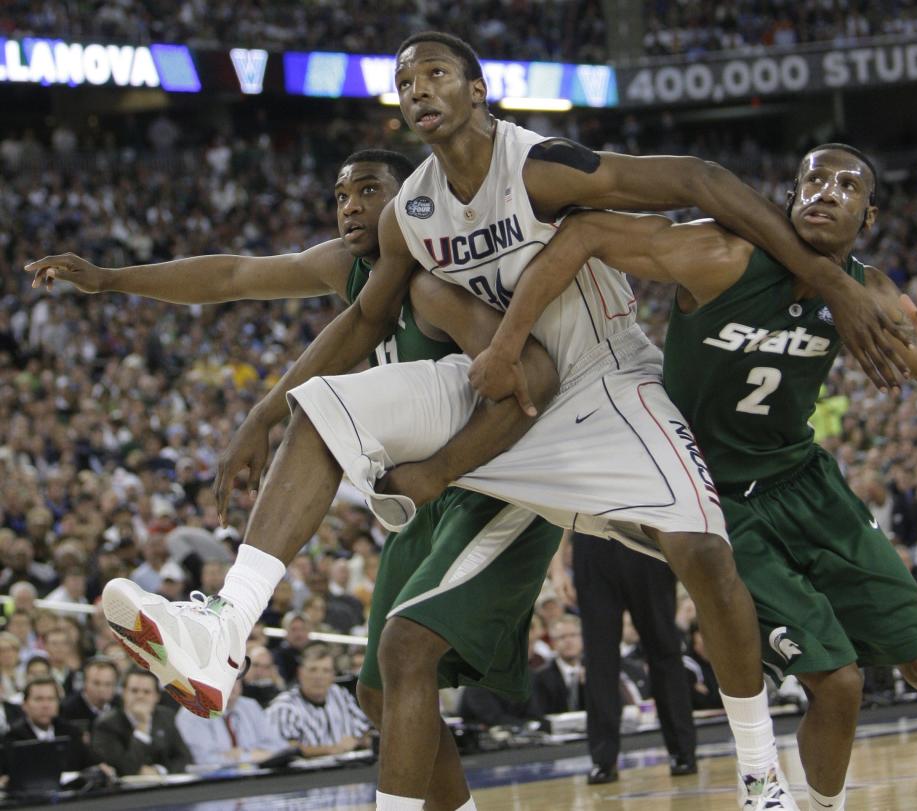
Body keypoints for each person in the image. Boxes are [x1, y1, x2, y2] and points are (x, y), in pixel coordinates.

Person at [80, 31, 917, 811]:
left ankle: (759, 772)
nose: (419, 88)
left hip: (603, 380)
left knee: (703, 549)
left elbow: (700, 179)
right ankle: (224, 629)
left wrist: (837, 283)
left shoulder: (540, 167)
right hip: (495, 388)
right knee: (321, 408)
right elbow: (366, 317)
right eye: (404, 80)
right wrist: (264, 411)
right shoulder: (410, 210)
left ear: (479, 91)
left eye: (436, 72)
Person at [30, 148, 562, 811]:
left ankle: (226, 630)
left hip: (491, 478)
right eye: (341, 195)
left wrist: (275, 412)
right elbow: (234, 274)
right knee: (377, 692)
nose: (351, 207)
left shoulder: (440, 272)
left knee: (406, 656)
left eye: (370, 191)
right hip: (419, 493)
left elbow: (526, 379)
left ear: (414, 201)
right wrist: (111, 280)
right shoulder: (354, 270)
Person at [469, 142, 917, 811]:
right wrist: (505, 342)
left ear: (868, 217)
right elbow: (585, 231)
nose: (825, 191)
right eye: (812, 177)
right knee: (838, 681)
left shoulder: (871, 291)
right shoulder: (723, 255)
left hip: (806, 483)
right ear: (788, 195)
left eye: (847, 185)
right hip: (718, 498)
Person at [557, 531, 697, 783]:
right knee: (599, 658)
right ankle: (603, 759)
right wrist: (557, 568)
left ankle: (682, 751)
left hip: (641, 534)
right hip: (592, 540)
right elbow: (560, 506)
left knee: (664, 647)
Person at [265, 644, 371, 757]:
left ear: (333, 676)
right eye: (312, 670)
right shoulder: (283, 707)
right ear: (300, 673)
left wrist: (358, 742)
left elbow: (366, 732)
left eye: (326, 671)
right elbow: (285, 749)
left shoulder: (340, 695)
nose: (318, 677)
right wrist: (331, 750)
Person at [2, 676, 112, 776]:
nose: (45, 705)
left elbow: (93, 762)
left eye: (51, 699)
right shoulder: (13, 739)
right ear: (24, 705)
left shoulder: (71, 733)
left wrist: (102, 769)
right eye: (39, 699)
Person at [91, 668, 192, 776]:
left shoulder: (166, 716)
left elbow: (184, 758)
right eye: (134, 691)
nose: (140, 696)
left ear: (157, 697)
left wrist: (159, 771)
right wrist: (142, 726)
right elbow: (125, 769)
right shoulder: (107, 725)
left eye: (146, 692)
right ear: (123, 693)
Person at [176, 679, 287, 767]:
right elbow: (204, 760)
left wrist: (242, 753)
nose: (231, 685)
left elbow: (279, 746)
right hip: (214, 785)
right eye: (225, 679)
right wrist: (251, 756)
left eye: (236, 679)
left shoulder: (250, 706)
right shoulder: (192, 713)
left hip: (256, 779)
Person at [60, 657, 119, 737]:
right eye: (96, 683)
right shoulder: (67, 709)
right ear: (85, 683)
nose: (102, 689)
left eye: (108, 684)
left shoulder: (121, 706)